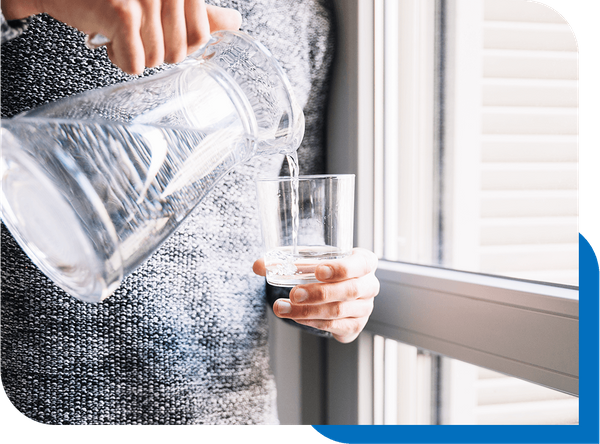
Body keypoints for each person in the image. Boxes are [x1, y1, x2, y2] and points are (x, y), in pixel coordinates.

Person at [0, 0, 380, 426]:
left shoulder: (304, 18)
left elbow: (295, 224)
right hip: (39, 395)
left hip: (230, 409)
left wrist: (331, 294)